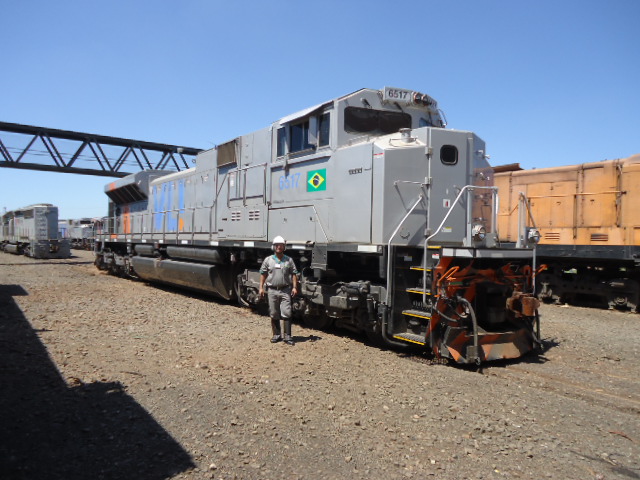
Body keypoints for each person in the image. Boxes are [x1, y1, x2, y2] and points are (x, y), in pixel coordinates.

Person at [259, 235, 299, 345]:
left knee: (287, 312)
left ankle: (287, 336)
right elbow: (263, 274)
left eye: (281, 245)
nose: (279, 247)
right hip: (272, 290)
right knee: (274, 312)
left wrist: (294, 287)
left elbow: (294, 274)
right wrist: (261, 288)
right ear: (273, 247)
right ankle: (276, 335)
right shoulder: (268, 260)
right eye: (277, 245)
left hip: (285, 290)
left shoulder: (289, 260)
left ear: (284, 247)